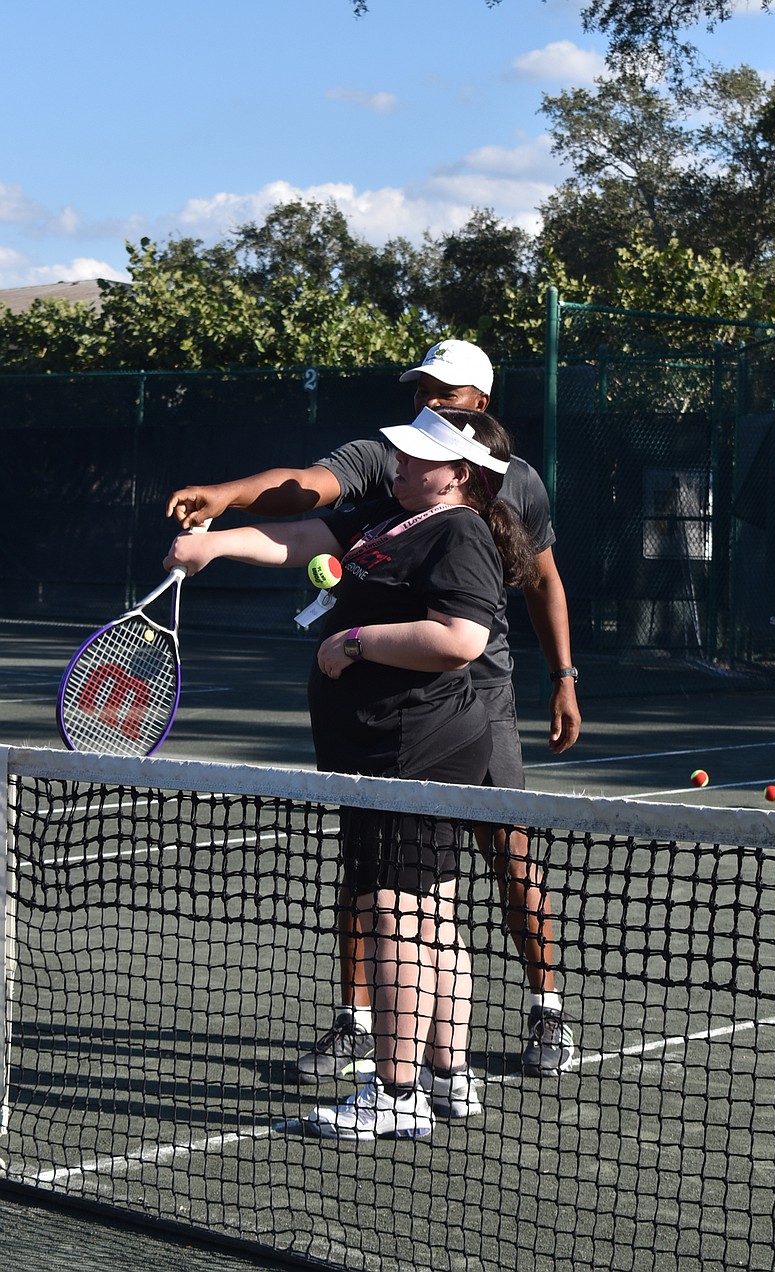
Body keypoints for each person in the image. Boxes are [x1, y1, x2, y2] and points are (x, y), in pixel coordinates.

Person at [167, 339, 581, 1078]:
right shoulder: (391, 464)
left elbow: (533, 589)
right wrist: (223, 516)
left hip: (471, 702)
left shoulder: (502, 488)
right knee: (373, 872)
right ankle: (369, 1027)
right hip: (389, 714)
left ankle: (542, 1010)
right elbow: (303, 497)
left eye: (443, 392)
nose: (425, 401)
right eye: (419, 387)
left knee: (501, 856)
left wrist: (564, 676)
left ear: (477, 409)